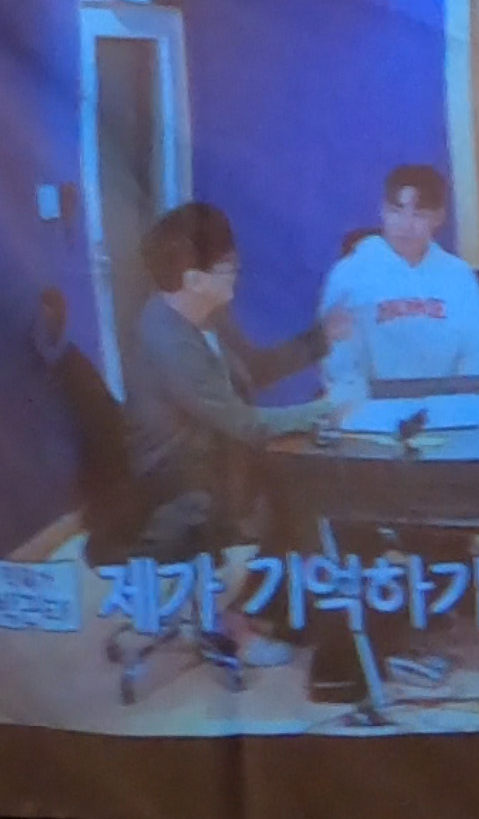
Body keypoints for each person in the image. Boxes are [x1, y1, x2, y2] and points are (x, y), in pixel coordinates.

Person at [123, 203, 352, 663]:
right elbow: (244, 422)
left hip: (216, 454)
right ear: (193, 278)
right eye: (227, 266)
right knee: (293, 492)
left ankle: (273, 606)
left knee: (302, 484)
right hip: (177, 478)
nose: (237, 270)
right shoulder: (167, 339)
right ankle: (238, 622)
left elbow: (255, 371)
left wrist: (319, 339)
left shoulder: (208, 314)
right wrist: (328, 410)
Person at [317, 164, 479, 385]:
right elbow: (339, 359)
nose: (406, 225)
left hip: (449, 400)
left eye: (419, 215)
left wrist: (458, 401)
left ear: (438, 218)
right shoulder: (349, 273)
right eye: (396, 211)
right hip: (371, 402)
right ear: (383, 211)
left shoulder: (458, 275)